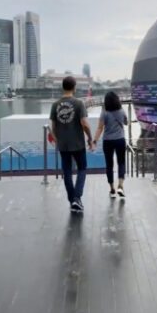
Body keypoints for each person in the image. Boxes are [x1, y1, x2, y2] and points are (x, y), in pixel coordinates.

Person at [49, 76, 94, 213]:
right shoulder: (79, 103)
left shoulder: (55, 105)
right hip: (78, 143)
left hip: (63, 144)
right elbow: (85, 124)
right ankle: (77, 198)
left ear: (63, 87)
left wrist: (57, 140)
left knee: (67, 172)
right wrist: (90, 138)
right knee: (82, 168)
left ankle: (72, 200)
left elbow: (53, 126)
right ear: (74, 87)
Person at [92, 91, 128, 198]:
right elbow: (126, 123)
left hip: (107, 141)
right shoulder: (121, 111)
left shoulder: (104, 112)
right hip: (120, 140)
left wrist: (94, 141)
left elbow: (100, 128)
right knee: (121, 162)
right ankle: (120, 186)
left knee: (109, 165)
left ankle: (112, 189)